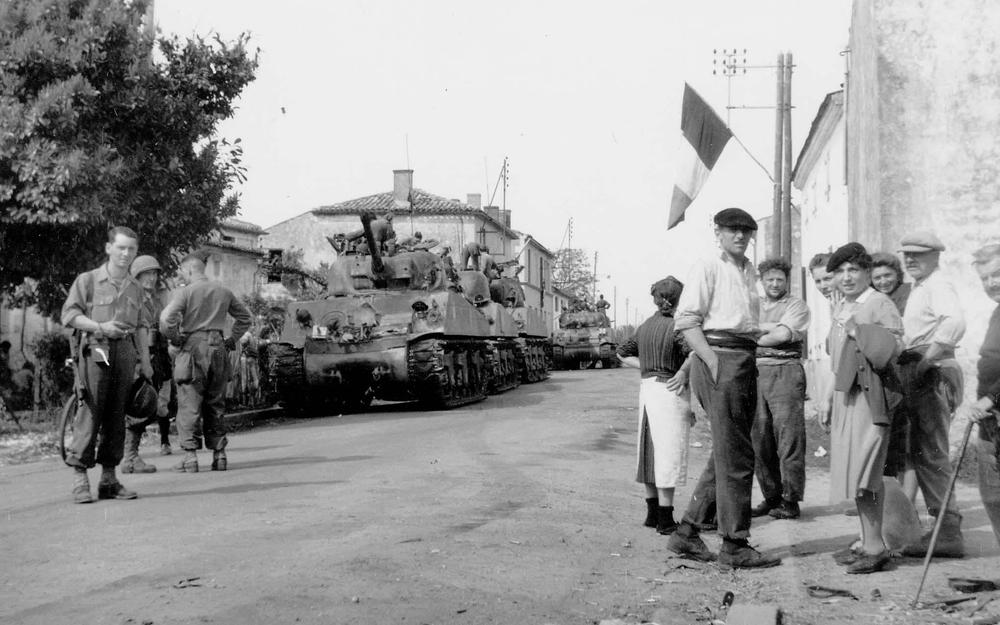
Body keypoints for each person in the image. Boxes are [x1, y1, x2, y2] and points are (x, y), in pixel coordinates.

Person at [667, 207, 780, 569]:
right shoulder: (707, 266)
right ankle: (734, 544)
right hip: (721, 357)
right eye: (732, 230)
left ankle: (687, 532)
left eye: (746, 231)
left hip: (743, 357)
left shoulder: (747, 271)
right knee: (737, 456)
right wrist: (712, 362)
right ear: (717, 232)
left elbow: (743, 322)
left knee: (731, 450)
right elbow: (686, 321)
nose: (740, 236)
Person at [821, 243, 903, 574]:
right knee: (857, 472)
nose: (846, 277)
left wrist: (857, 328)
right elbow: (837, 358)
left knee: (866, 472)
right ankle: (869, 541)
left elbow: (893, 348)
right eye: (839, 271)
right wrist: (828, 397)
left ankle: (875, 546)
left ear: (867, 272)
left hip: (872, 398)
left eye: (853, 269)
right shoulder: (845, 304)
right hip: (847, 398)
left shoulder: (879, 302)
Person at [60, 226, 154, 503]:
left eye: (131, 249)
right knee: (91, 408)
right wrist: (100, 326)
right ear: (108, 248)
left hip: (124, 352)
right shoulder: (88, 280)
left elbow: (140, 326)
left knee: (117, 413)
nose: (126, 254)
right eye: (121, 247)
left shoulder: (136, 288)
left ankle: (109, 479)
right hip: (97, 348)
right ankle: (79, 478)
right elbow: (70, 316)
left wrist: (146, 362)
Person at [895, 231, 967, 558]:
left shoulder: (938, 284)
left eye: (919, 255)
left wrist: (926, 360)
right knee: (923, 453)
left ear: (936, 256)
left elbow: (954, 322)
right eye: (906, 254)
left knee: (932, 453)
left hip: (932, 371)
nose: (910, 260)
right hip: (921, 369)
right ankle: (941, 528)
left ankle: (948, 532)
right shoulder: (921, 287)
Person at [160, 250, 252, 473]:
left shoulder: (185, 293)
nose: (180, 275)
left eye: (182, 270)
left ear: (190, 269)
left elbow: (165, 320)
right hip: (219, 348)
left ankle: (190, 457)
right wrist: (231, 339)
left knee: (189, 402)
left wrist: (175, 337)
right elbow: (245, 318)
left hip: (193, 348)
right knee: (216, 403)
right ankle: (219, 455)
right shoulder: (223, 290)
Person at [616, 277, 692, 536]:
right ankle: (666, 520)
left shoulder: (645, 326)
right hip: (669, 389)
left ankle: (651, 514)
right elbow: (695, 353)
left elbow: (621, 352)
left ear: (656, 299)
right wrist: (682, 372)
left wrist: (646, 366)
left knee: (648, 449)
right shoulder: (679, 327)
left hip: (647, 389)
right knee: (668, 452)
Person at [750, 258, 811, 520]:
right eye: (769, 279)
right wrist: (767, 330)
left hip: (785, 370)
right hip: (754, 373)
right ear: (761, 281)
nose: (775, 284)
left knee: (788, 437)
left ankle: (791, 498)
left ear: (787, 281)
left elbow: (784, 336)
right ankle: (771, 496)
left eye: (780, 279)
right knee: (759, 437)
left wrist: (754, 335)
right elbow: (740, 329)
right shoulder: (753, 304)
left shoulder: (796, 305)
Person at [120, 255, 174, 474]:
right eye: (147, 274)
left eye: (154, 273)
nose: (152, 278)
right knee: (138, 405)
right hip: (136, 357)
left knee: (148, 405)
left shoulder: (153, 299)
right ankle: (129, 457)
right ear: (137, 275)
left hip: (155, 357)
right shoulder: (132, 296)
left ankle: (130, 457)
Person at [870, 251, 916, 499]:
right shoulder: (873, 300)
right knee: (884, 443)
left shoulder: (908, 295)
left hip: (907, 373)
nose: (883, 281)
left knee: (907, 445)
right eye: (877, 277)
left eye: (888, 275)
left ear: (898, 275)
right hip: (885, 376)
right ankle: (882, 501)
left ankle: (906, 504)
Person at [968, 243, 1000, 545]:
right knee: (993, 497)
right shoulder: (997, 314)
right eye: (985, 278)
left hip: (994, 409)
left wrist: (992, 398)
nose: (992, 283)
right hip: (991, 423)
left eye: (997, 274)